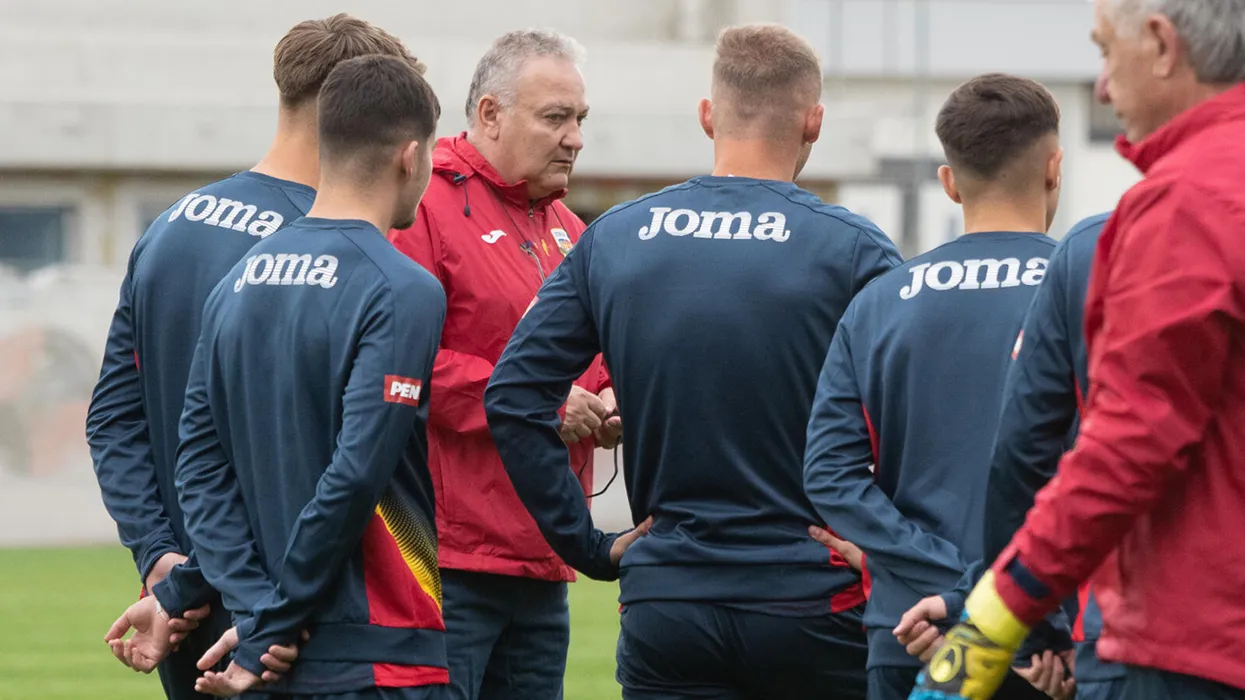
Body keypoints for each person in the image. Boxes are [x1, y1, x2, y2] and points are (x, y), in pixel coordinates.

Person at [485, 23, 903, 700]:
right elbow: (916, 418)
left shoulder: (617, 237)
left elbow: (512, 395)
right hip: (812, 600)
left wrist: (587, 544)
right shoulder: (852, 249)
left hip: (668, 604)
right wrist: (889, 549)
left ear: (708, 115)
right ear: (814, 122)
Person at [909, 0, 1245, 698]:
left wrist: (991, 622)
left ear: (1161, 45)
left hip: (1192, 644)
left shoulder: (1187, 200)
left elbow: (1129, 440)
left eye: (1104, 51)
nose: (1102, 85)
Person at [87, 14, 421, 695]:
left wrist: (161, 561)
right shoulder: (336, 250)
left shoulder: (171, 225)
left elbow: (114, 419)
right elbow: (326, 456)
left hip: (186, 612)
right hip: (294, 614)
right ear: (353, 104)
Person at [170, 53, 448, 700]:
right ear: (410, 156)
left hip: (267, 650)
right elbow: (356, 473)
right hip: (378, 656)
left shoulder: (237, 280)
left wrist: (257, 611)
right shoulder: (402, 287)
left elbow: (200, 469)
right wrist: (275, 618)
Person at [801, 73, 1065, 700]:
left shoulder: (880, 302)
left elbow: (830, 475)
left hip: (914, 626)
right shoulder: (1083, 289)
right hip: (1043, 633)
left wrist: (947, 578)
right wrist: (998, 591)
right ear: (1054, 168)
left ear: (949, 182)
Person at [387, 29, 613, 700]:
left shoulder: (571, 230)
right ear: (489, 114)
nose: (575, 138)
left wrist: (612, 400)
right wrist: (545, 403)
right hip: (449, 560)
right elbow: (399, 363)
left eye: (580, 118)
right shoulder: (421, 208)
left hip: (546, 554)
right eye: (555, 117)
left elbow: (594, 358)